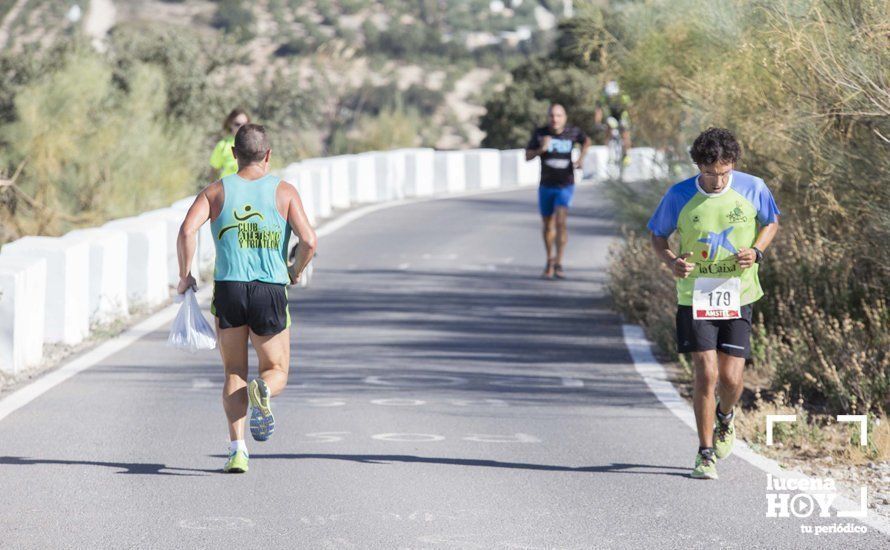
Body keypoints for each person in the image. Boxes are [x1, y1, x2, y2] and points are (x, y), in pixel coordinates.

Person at [177, 123, 317, 473]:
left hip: (230, 289)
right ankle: (265, 390)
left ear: (234, 154)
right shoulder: (284, 192)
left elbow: (186, 230)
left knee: (234, 371)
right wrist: (295, 270)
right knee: (276, 369)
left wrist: (185, 275)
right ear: (268, 155)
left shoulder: (215, 191)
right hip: (270, 288)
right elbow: (310, 240)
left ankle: (238, 450)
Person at [647, 127, 780, 479]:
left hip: (739, 293)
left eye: (723, 172)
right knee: (706, 372)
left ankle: (726, 416)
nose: (717, 181)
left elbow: (771, 222)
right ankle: (705, 453)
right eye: (709, 173)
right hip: (695, 294)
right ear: (698, 167)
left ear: (732, 164)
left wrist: (757, 251)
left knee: (732, 377)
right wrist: (672, 261)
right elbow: (658, 235)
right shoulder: (678, 195)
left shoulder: (753, 187)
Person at [525, 103, 591, 279]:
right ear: (548, 118)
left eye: (559, 115)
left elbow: (586, 141)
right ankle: (549, 261)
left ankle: (559, 262)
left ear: (565, 117)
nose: (555, 119)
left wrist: (581, 159)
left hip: (565, 184)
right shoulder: (540, 134)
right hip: (546, 185)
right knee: (548, 225)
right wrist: (541, 149)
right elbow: (527, 156)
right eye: (552, 116)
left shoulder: (572, 132)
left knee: (561, 222)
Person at [594, 81, 632, 166]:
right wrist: (597, 122)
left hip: (623, 115)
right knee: (609, 125)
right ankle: (607, 149)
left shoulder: (623, 96)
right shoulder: (604, 96)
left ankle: (626, 154)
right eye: (610, 96)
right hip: (612, 116)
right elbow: (598, 109)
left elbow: (630, 109)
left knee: (625, 133)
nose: (611, 97)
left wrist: (630, 122)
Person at [209, 108, 250, 180]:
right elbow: (214, 171)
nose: (241, 127)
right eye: (237, 124)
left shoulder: (254, 144)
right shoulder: (222, 145)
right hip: (227, 188)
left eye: (245, 124)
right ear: (230, 124)